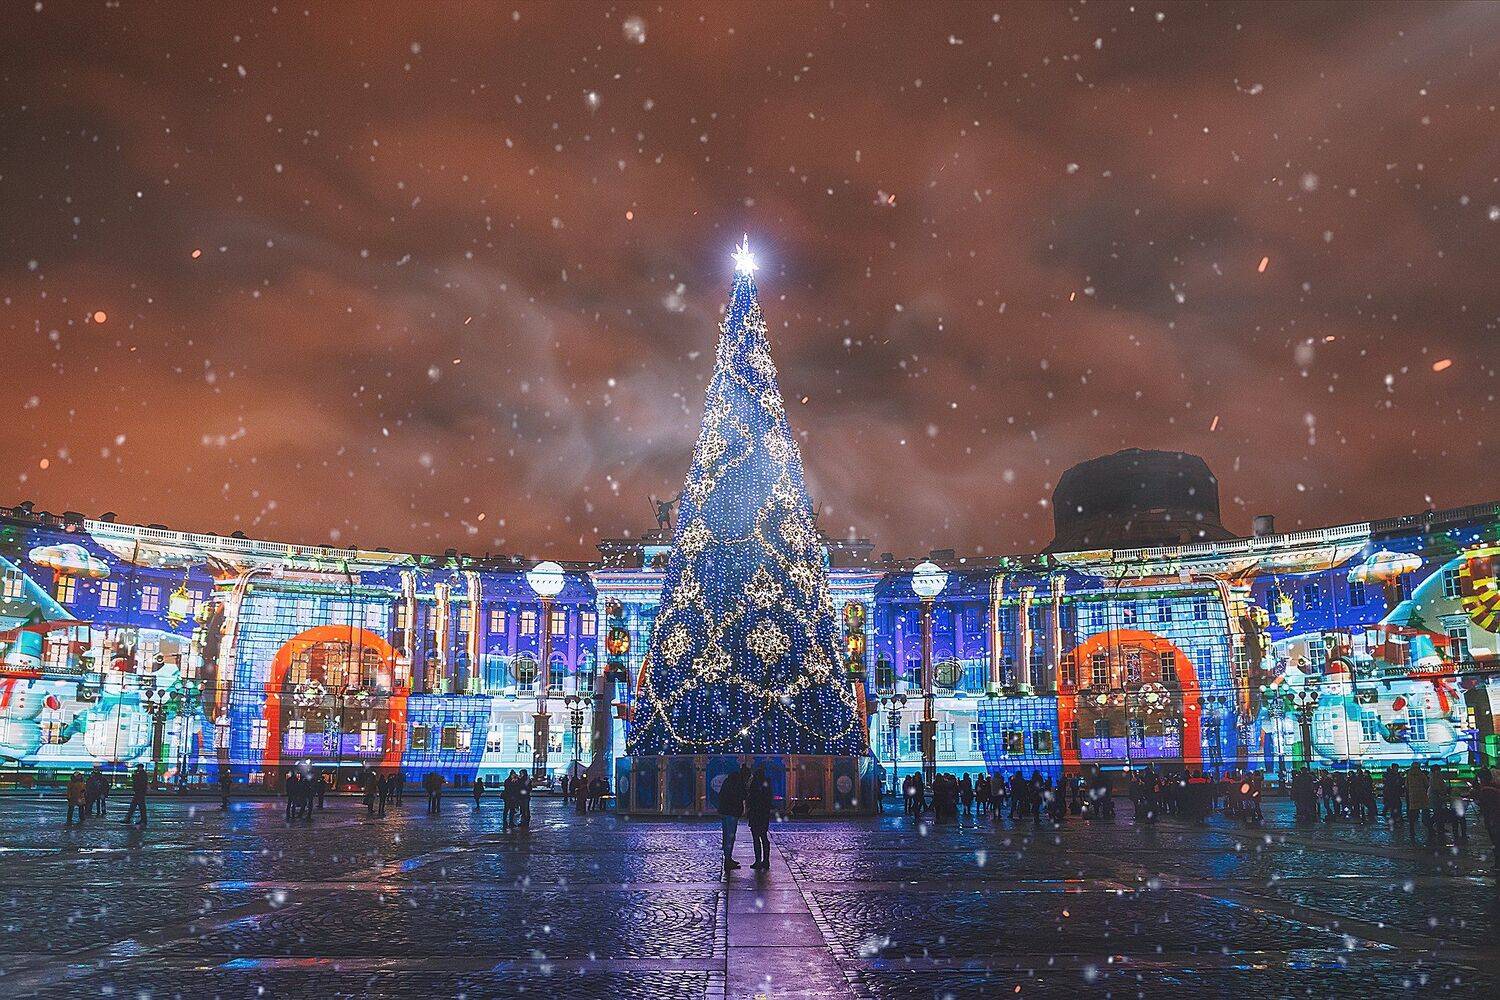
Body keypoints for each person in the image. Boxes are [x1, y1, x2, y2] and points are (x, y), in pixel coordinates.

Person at [718, 764, 749, 869]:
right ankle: (728, 860)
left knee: (727, 836)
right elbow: (742, 795)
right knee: (730, 836)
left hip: (725, 812)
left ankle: (728, 858)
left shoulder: (727, 782)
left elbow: (722, 796)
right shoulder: (738, 784)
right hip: (732, 813)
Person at [746, 766, 774, 870]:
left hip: (756, 814)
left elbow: (751, 799)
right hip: (763, 815)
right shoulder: (766, 786)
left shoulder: (755, 786)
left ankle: (759, 860)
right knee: (763, 837)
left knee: (757, 838)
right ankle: (765, 860)